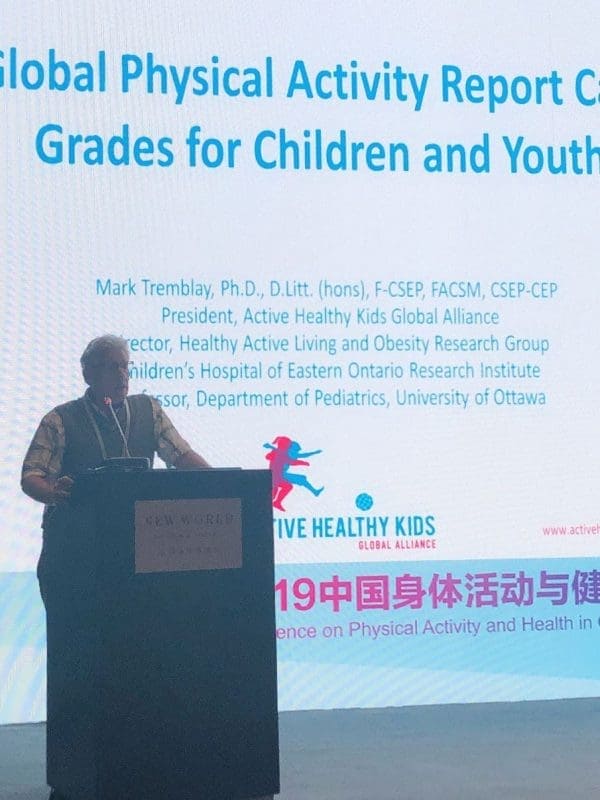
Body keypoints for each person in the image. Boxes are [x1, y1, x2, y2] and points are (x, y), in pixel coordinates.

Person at [21, 334, 210, 602]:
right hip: (75, 552)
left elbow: (181, 455)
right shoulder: (59, 419)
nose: (122, 374)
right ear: (88, 374)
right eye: (112, 367)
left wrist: (220, 482)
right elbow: (31, 476)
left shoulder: (148, 410)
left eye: (125, 366)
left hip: (138, 550)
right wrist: (53, 493)